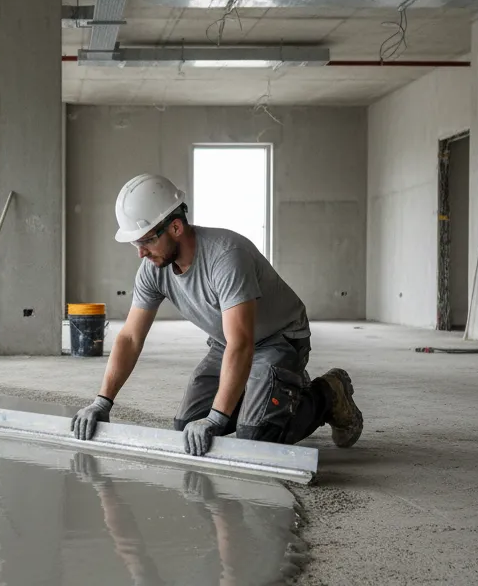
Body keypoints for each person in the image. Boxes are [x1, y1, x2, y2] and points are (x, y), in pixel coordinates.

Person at [71, 173, 362, 456]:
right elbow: (131, 337)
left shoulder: (226, 257)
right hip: (228, 343)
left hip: (278, 339)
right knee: (187, 427)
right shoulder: (153, 270)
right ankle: (271, 391)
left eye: (146, 241)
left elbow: (243, 343)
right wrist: (102, 401)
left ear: (175, 228)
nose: (141, 253)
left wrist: (217, 417)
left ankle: (326, 394)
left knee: (255, 437)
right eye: (136, 244)